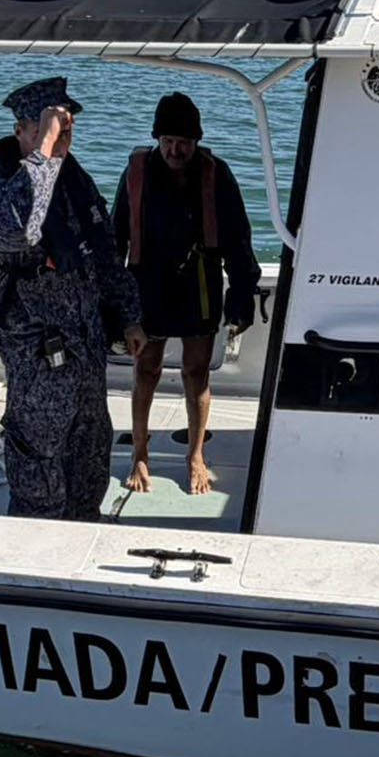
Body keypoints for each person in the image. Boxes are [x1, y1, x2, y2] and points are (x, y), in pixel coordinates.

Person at [0, 77, 147, 521]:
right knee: (39, 458)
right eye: (49, 127)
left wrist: (129, 316)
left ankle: (84, 526)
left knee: (90, 452)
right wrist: (45, 148)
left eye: (67, 129)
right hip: (37, 351)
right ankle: (36, 548)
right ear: (22, 131)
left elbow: (105, 255)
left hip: (85, 346)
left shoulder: (76, 185)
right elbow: (18, 230)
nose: (62, 138)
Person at [112, 93, 259, 496]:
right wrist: (115, 302)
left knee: (196, 373)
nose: (176, 150)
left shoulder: (217, 174)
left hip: (200, 283)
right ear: (157, 138)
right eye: (169, 141)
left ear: (197, 141)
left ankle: (195, 456)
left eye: (185, 142)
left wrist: (242, 294)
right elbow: (116, 237)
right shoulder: (137, 173)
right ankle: (139, 454)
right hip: (148, 282)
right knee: (147, 370)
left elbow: (239, 239)